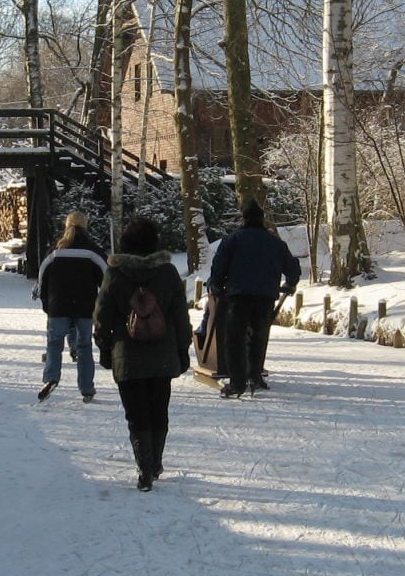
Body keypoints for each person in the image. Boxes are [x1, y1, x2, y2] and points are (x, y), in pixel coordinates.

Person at [93, 216, 192, 491]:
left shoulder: (114, 274)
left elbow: (102, 315)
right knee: (159, 410)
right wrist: (183, 348)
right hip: (162, 355)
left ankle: (144, 467)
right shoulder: (169, 273)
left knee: (136, 414)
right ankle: (156, 461)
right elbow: (180, 315)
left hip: (127, 355)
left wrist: (104, 346)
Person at [209, 198, 301, 398]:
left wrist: (216, 284)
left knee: (234, 338)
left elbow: (219, 267)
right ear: (262, 220)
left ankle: (237, 382)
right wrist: (290, 283)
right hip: (265, 296)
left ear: (244, 219)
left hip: (238, 295)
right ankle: (255, 375)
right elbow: (292, 267)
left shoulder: (232, 240)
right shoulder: (275, 242)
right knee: (258, 337)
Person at [36, 211, 108, 402]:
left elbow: (42, 279)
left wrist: (47, 304)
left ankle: (50, 378)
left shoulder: (55, 251)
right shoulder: (92, 251)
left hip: (58, 306)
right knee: (84, 346)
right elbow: (108, 279)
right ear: (86, 227)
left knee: (54, 343)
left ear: (65, 226)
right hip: (85, 307)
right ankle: (87, 388)